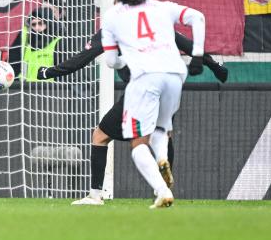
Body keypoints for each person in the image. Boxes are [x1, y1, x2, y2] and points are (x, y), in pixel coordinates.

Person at [38, 29, 228, 205]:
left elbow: (81, 59)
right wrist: (215, 65)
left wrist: (48, 72)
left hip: (141, 90)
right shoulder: (156, 22)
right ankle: (164, 188)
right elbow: (188, 44)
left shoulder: (112, 29)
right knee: (161, 134)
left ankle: (95, 195)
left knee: (100, 136)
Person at [99, 0, 206, 209]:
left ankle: (162, 190)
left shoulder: (113, 16)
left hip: (146, 76)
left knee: (137, 143)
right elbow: (197, 17)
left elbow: (111, 61)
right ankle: (163, 157)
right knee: (161, 128)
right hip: (176, 74)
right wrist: (198, 55)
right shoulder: (162, 8)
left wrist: (130, 57)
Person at [9, 7, 64, 82]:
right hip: (28, 87)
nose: (37, 27)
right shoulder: (27, 43)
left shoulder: (58, 42)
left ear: (47, 23)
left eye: (40, 23)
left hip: (49, 88)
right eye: (34, 24)